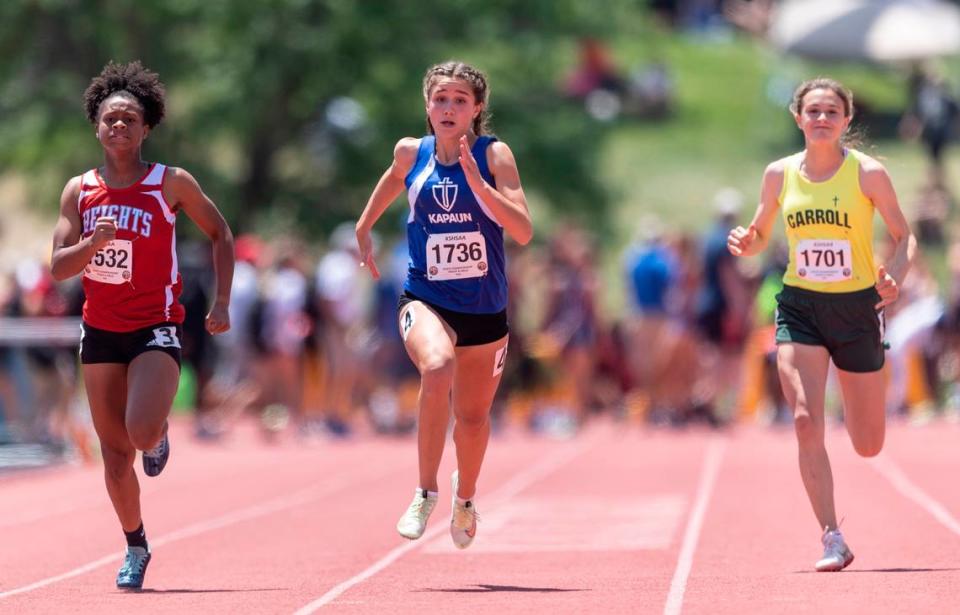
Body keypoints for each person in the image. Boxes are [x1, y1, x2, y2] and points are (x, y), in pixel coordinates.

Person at [49, 61, 234, 589]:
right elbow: (59, 265)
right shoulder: (79, 190)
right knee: (112, 459)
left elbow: (220, 233)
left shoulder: (169, 183)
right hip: (101, 330)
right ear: (96, 127)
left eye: (129, 119)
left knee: (140, 430)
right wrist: (92, 244)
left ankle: (157, 437)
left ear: (147, 127)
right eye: (110, 120)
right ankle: (135, 545)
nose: (119, 128)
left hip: (155, 324)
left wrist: (221, 302)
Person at [728, 77, 917, 572]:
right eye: (812, 111)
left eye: (832, 112)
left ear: (846, 121)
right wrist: (746, 242)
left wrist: (893, 278)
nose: (821, 119)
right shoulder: (779, 174)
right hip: (800, 307)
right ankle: (832, 536)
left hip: (857, 310)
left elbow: (904, 236)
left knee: (868, 443)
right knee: (806, 418)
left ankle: (872, 395)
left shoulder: (868, 174)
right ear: (797, 117)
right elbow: (760, 231)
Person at [355, 60, 532, 548]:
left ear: (477, 109)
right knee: (436, 368)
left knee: (473, 421)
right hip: (426, 296)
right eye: (440, 99)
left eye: (459, 100)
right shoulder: (413, 152)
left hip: (485, 308)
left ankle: (465, 498)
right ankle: (424, 490)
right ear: (427, 106)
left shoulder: (495, 156)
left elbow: (522, 230)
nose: (448, 108)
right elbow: (394, 178)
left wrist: (479, 187)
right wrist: (365, 224)